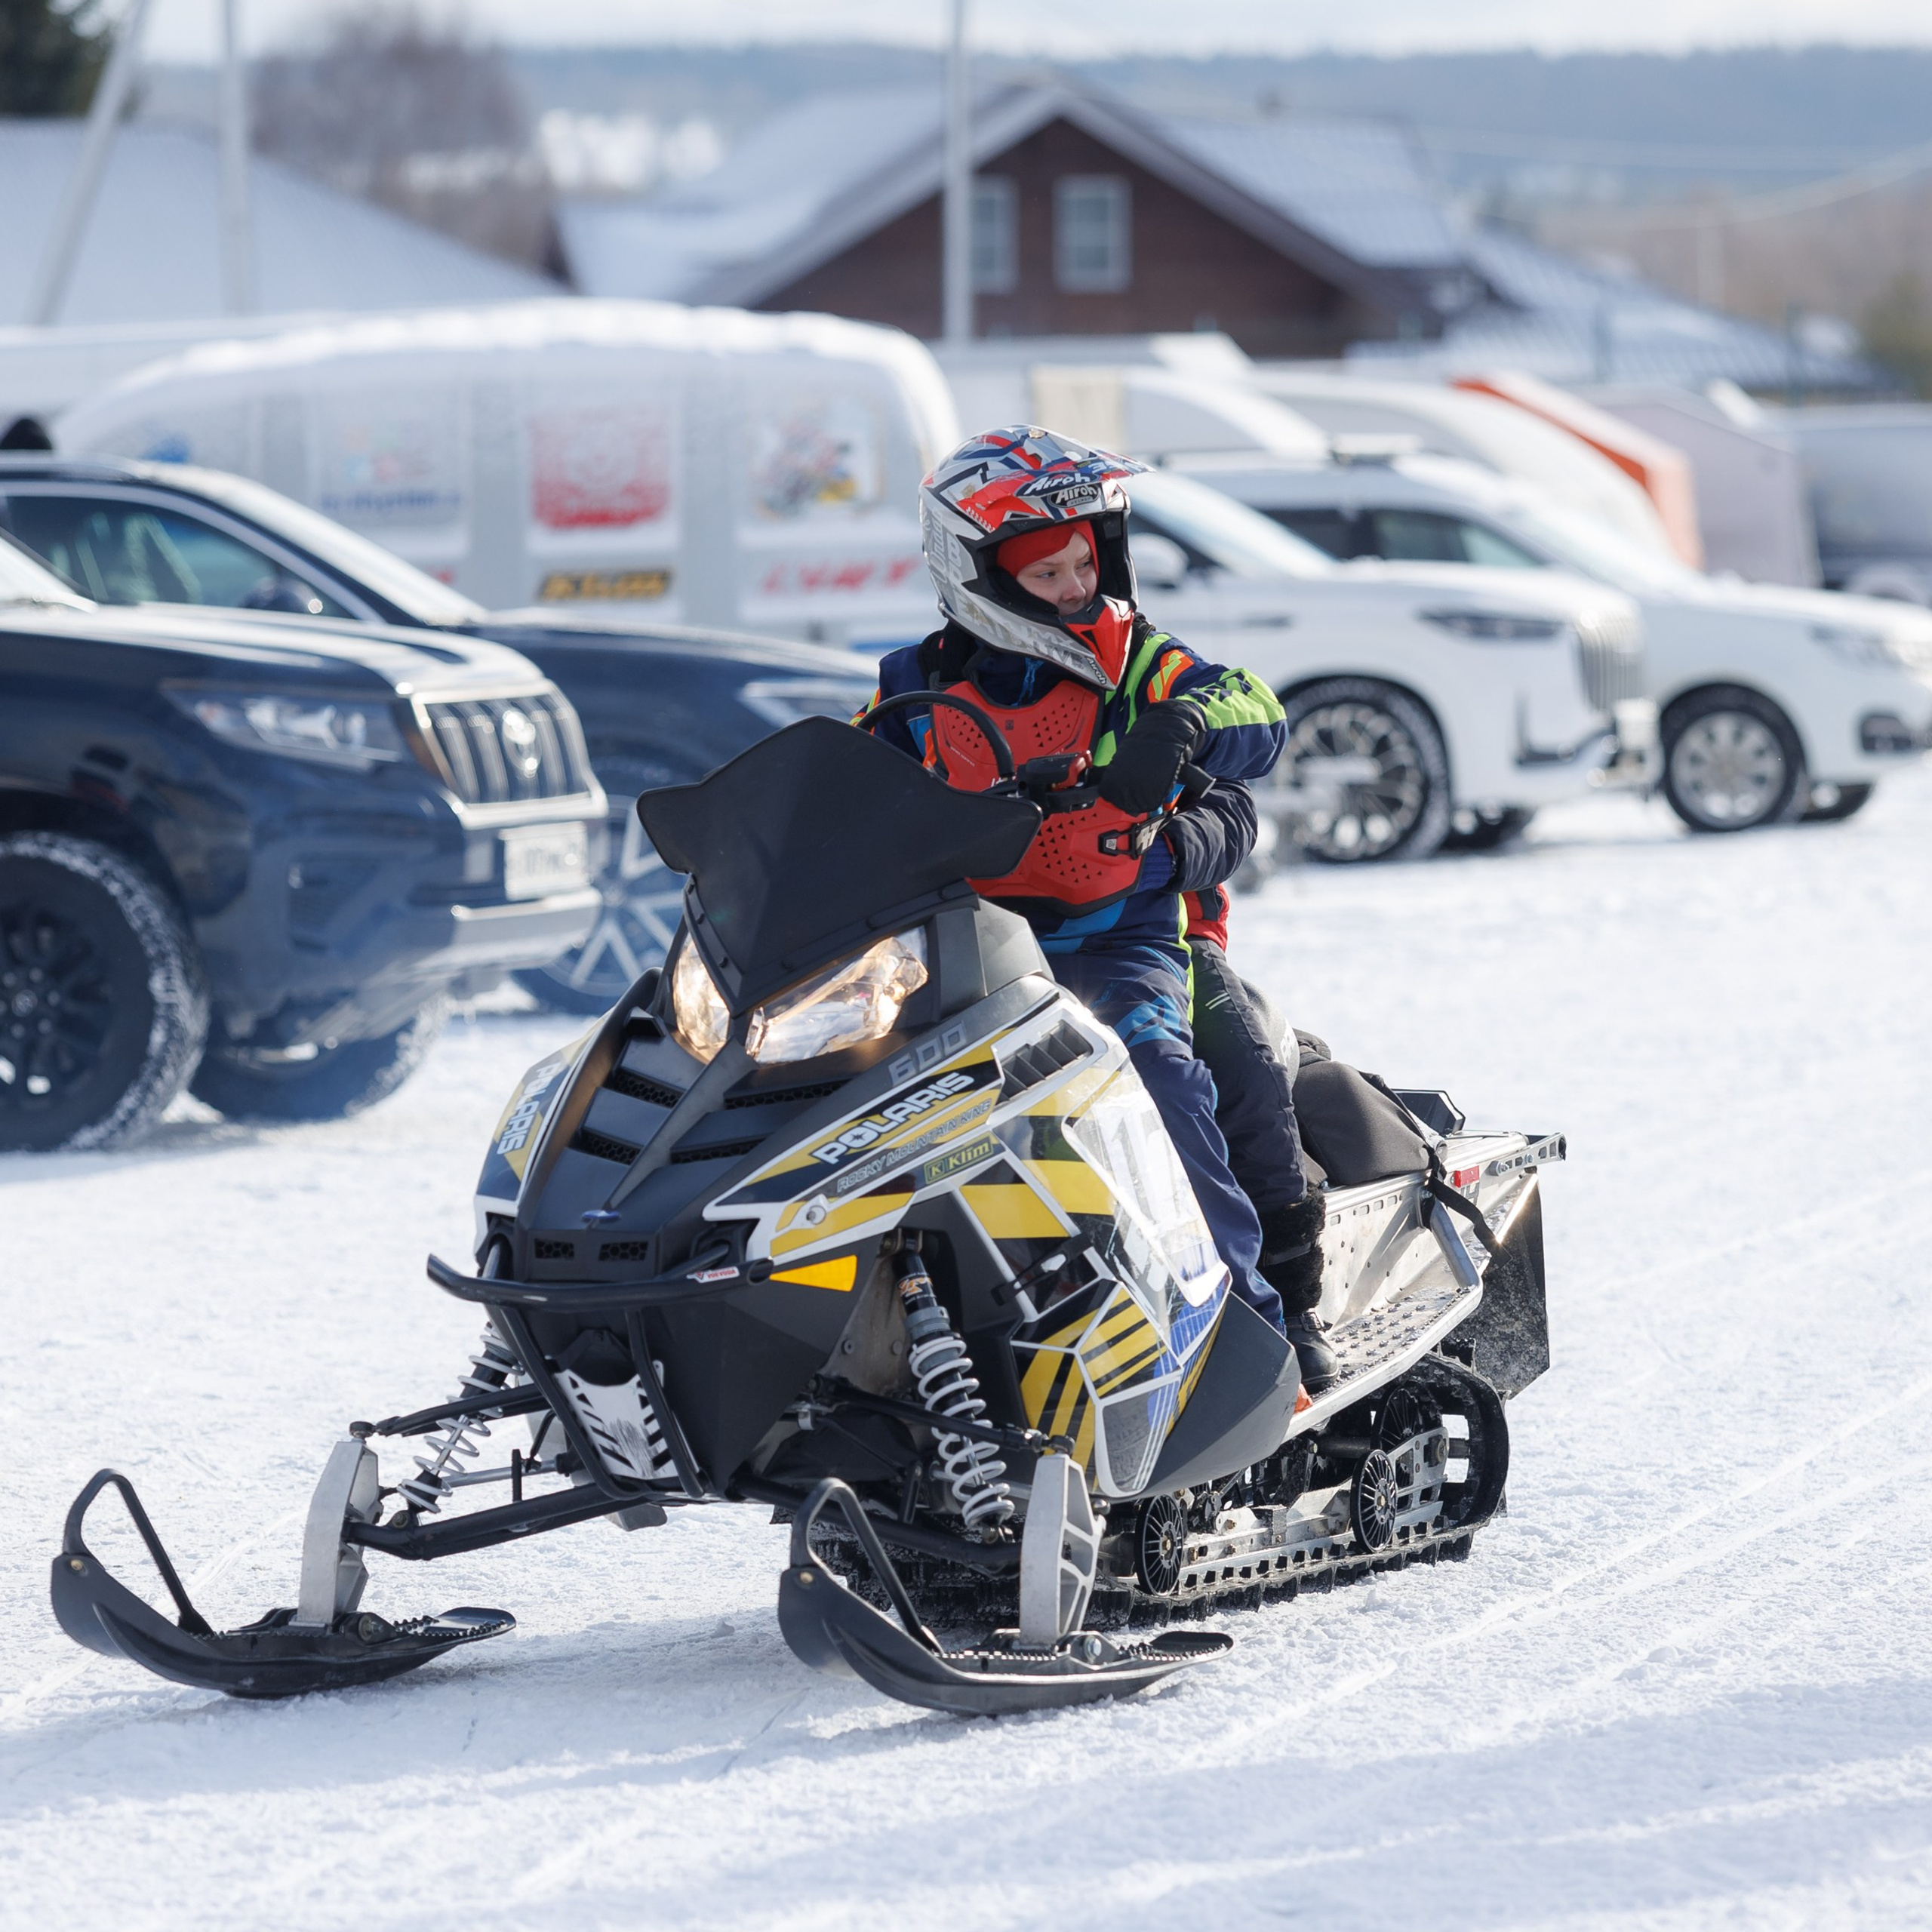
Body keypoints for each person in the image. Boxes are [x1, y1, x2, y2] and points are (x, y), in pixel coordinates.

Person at [863, 426, 1293, 1334]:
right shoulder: (915, 683)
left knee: (1157, 1076)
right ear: (979, 575)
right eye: (1045, 576)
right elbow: (836, 782)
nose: (1074, 588)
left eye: (1082, 564)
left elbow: (1256, 708)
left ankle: (1247, 1318)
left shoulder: (1140, 659)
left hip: (1117, 939)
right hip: (960, 949)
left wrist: (1182, 724)